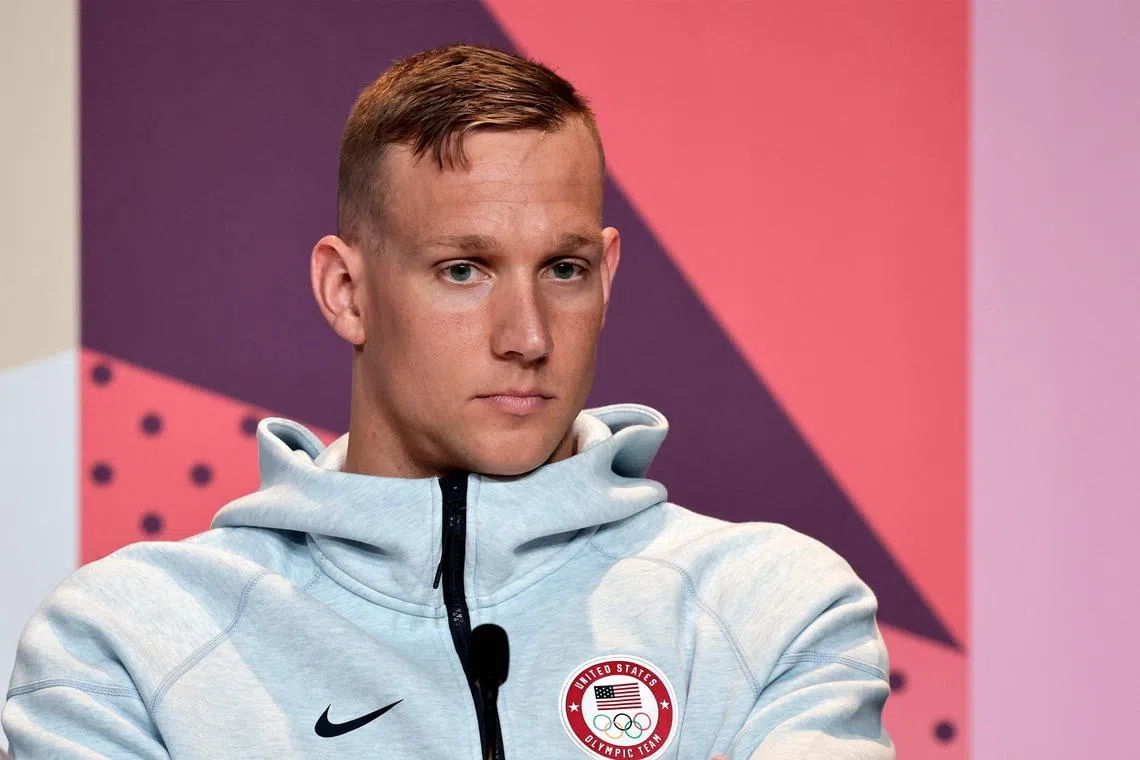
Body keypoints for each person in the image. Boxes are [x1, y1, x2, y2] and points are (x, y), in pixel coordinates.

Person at [2, 44, 893, 759]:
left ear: (608, 275)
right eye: (463, 270)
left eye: (564, 270)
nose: (528, 335)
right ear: (346, 291)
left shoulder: (774, 607)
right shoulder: (128, 642)